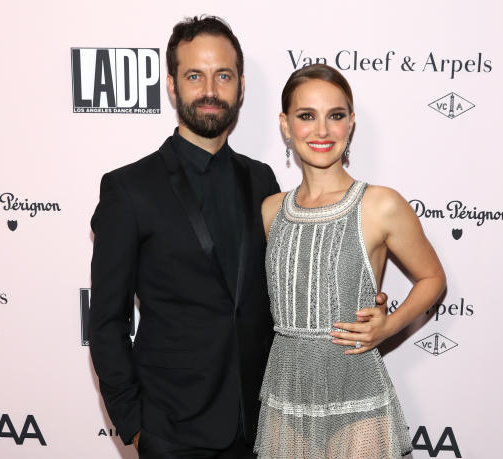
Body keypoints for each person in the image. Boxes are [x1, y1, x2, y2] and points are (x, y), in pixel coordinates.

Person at [89, 17, 390, 458]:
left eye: (223, 75)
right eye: (195, 75)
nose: (210, 89)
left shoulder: (262, 181)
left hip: (265, 424)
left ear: (241, 86)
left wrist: (363, 303)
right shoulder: (129, 189)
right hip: (171, 432)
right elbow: (106, 322)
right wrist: (134, 425)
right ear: (172, 85)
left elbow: (287, 285)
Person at [255, 64, 447, 458]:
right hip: (285, 394)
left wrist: (389, 325)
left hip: (355, 391)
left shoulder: (380, 204)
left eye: (335, 116)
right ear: (285, 125)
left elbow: (432, 277)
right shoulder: (271, 210)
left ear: (351, 124)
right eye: (306, 116)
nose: (322, 131)